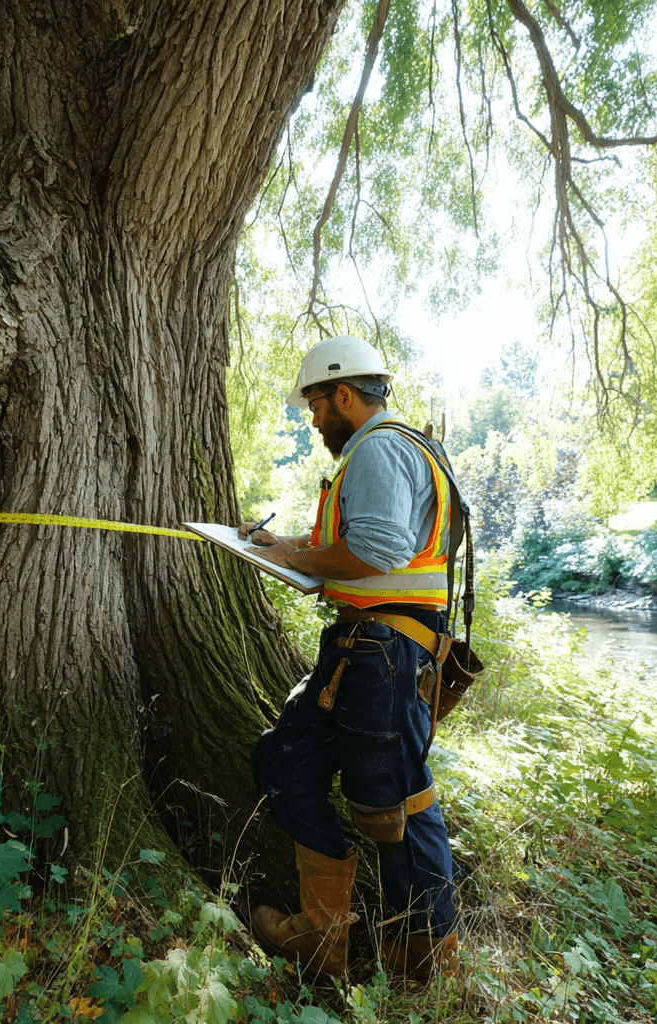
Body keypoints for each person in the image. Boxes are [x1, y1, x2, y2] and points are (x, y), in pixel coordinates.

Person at [240, 335, 460, 984]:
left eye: (314, 405)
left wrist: (291, 559)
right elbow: (354, 545)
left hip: (385, 655)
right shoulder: (381, 449)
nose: (311, 421)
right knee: (285, 762)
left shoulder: (381, 447)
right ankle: (320, 940)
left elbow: (377, 551)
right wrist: (284, 545)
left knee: (392, 807)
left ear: (343, 393)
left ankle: (423, 967)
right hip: (362, 651)